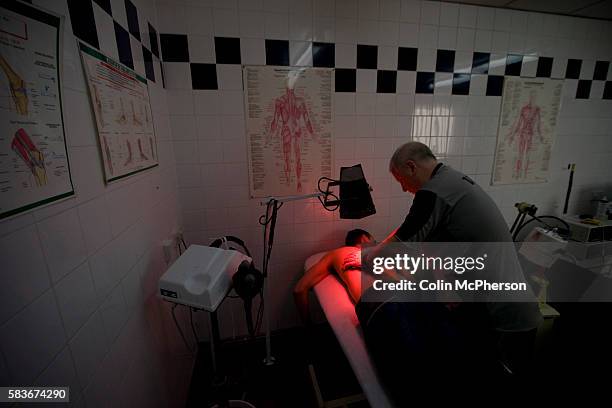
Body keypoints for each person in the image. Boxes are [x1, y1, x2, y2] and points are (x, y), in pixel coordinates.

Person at [357, 142, 542, 402]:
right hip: (505, 308)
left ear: (411, 167)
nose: (403, 188)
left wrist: (365, 256)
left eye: (401, 180)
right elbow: (429, 247)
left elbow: (400, 242)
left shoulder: (434, 192)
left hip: (506, 318)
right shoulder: (454, 181)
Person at [293, 229, 374, 325]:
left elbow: (299, 290)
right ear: (364, 239)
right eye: (374, 242)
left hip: (375, 306)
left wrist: (307, 325)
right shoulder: (377, 257)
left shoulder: (338, 254)